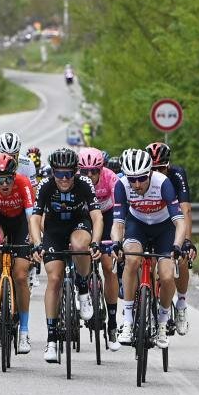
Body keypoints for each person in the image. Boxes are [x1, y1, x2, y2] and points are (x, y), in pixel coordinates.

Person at [111, 149, 186, 350]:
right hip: (138, 225)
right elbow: (118, 222)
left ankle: (162, 323)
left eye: (142, 178)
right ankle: (127, 321)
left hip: (164, 228)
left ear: (150, 173)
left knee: (168, 275)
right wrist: (117, 243)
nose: (136, 184)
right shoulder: (121, 185)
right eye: (132, 179)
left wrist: (178, 246)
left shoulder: (163, 183)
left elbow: (179, 222)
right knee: (132, 260)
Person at [33, 148, 103, 361]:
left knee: (79, 244)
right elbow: (35, 218)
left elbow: (97, 217)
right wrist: (37, 243)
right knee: (54, 279)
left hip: (78, 224)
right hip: (53, 229)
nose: (63, 179)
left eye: (68, 174)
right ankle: (52, 339)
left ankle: (83, 289)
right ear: (52, 172)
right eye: (59, 174)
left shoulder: (85, 184)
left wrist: (96, 242)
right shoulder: (45, 185)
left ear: (75, 172)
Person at [0, 153, 42, 354]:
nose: (4, 184)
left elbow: (32, 218)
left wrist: (35, 241)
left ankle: (24, 332)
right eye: (0, 180)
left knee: (21, 276)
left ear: (15, 176)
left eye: (8, 179)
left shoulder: (23, 184)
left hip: (21, 222)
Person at [145, 142, 196, 335]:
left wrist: (187, 241)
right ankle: (142, 300)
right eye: (153, 169)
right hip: (147, 222)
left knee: (181, 257)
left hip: (171, 222)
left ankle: (181, 304)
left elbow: (185, 209)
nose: (157, 172)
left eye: (161, 168)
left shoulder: (176, 174)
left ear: (168, 165)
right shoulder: (140, 177)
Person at [77, 147, 121, 347]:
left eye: (94, 171)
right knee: (78, 249)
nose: (89, 175)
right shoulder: (75, 180)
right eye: (85, 171)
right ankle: (79, 286)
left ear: (101, 169)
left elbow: (122, 209)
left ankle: (112, 323)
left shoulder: (111, 178)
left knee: (108, 267)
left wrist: (117, 240)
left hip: (108, 217)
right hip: (84, 217)